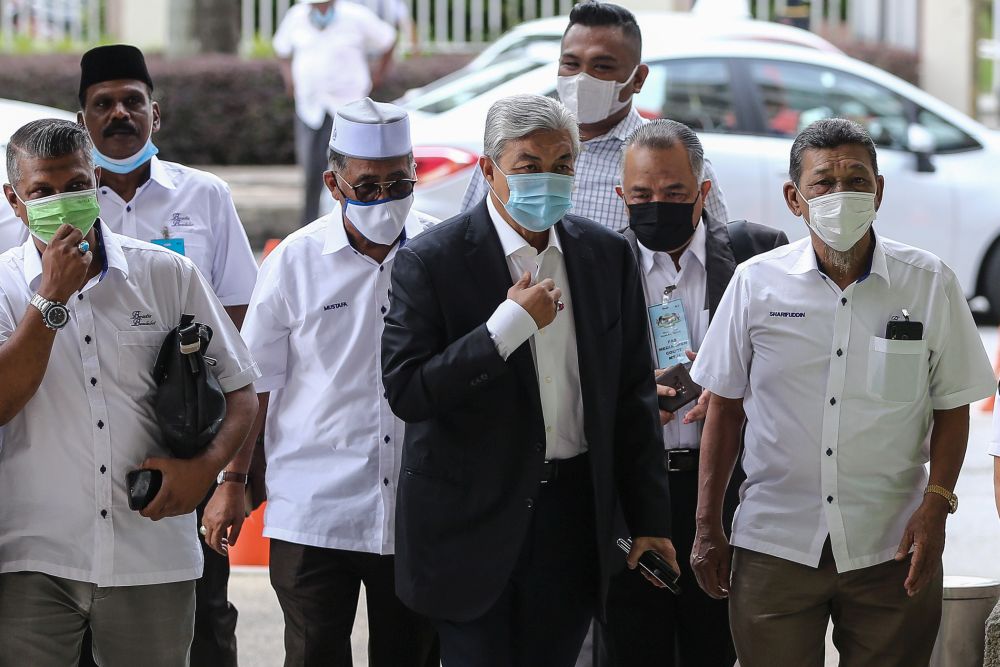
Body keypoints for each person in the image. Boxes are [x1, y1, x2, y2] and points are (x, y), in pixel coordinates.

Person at [381, 93, 675, 666]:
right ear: (489, 170)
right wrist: (504, 328)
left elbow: (631, 396)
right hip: (470, 523)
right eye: (529, 166)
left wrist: (648, 521)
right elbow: (409, 391)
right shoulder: (431, 260)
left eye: (563, 164)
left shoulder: (606, 255)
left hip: (571, 517)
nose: (550, 179)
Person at [689, 118, 995, 666]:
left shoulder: (929, 282)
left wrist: (936, 507)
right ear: (794, 197)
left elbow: (953, 405)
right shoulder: (756, 284)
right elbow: (725, 411)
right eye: (823, 183)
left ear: (879, 190)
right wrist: (708, 527)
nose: (841, 194)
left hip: (894, 545)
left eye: (856, 180)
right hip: (774, 543)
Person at [0, 118, 259, 666]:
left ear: (95, 181)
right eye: (42, 192)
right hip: (32, 557)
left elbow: (241, 389)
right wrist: (50, 300)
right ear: (14, 201)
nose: (62, 202)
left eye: (74, 186)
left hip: (151, 555)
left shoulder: (168, 275)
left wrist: (208, 469)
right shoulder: (3, 289)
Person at [76, 43, 260, 667]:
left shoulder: (203, 194)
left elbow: (239, 322)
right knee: (81, 617)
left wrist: (227, 471)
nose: (119, 114)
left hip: (188, 433)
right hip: (82, 434)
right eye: (103, 104)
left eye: (133, 102)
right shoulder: (58, 202)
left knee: (205, 613)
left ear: (158, 114)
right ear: (83, 121)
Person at [240, 97, 438, 666]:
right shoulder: (294, 261)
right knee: (313, 653)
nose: (384, 199)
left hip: (415, 505)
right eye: (367, 186)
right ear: (333, 182)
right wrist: (235, 478)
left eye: (398, 183)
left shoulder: (441, 251)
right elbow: (257, 382)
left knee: (414, 653)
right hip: (314, 505)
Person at [604, 118, 786, 666]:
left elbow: (792, 366)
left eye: (674, 193)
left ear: (703, 191)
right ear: (621, 196)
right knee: (634, 646)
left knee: (718, 644)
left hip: (729, 487)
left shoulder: (759, 255)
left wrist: (735, 395)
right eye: (642, 194)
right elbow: (575, 380)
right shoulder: (598, 263)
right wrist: (634, 402)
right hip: (636, 492)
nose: (657, 203)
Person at [461, 2, 729, 231]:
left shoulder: (677, 160)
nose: (582, 78)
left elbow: (714, 255)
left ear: (638, 79)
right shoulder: (509, 149)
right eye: (571, 64)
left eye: (601, 66)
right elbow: (468, 239)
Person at [274, 0, 397, 225]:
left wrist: (377, 77)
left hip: (348, 109)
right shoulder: (296, 16)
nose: (319, 9)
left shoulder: (356, 16)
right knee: (312, 175)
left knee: (352, 172)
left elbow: (387, 40)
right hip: (310, 108)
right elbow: (282, 50)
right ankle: (310, 226)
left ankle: (353, 224)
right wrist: (290, 81)